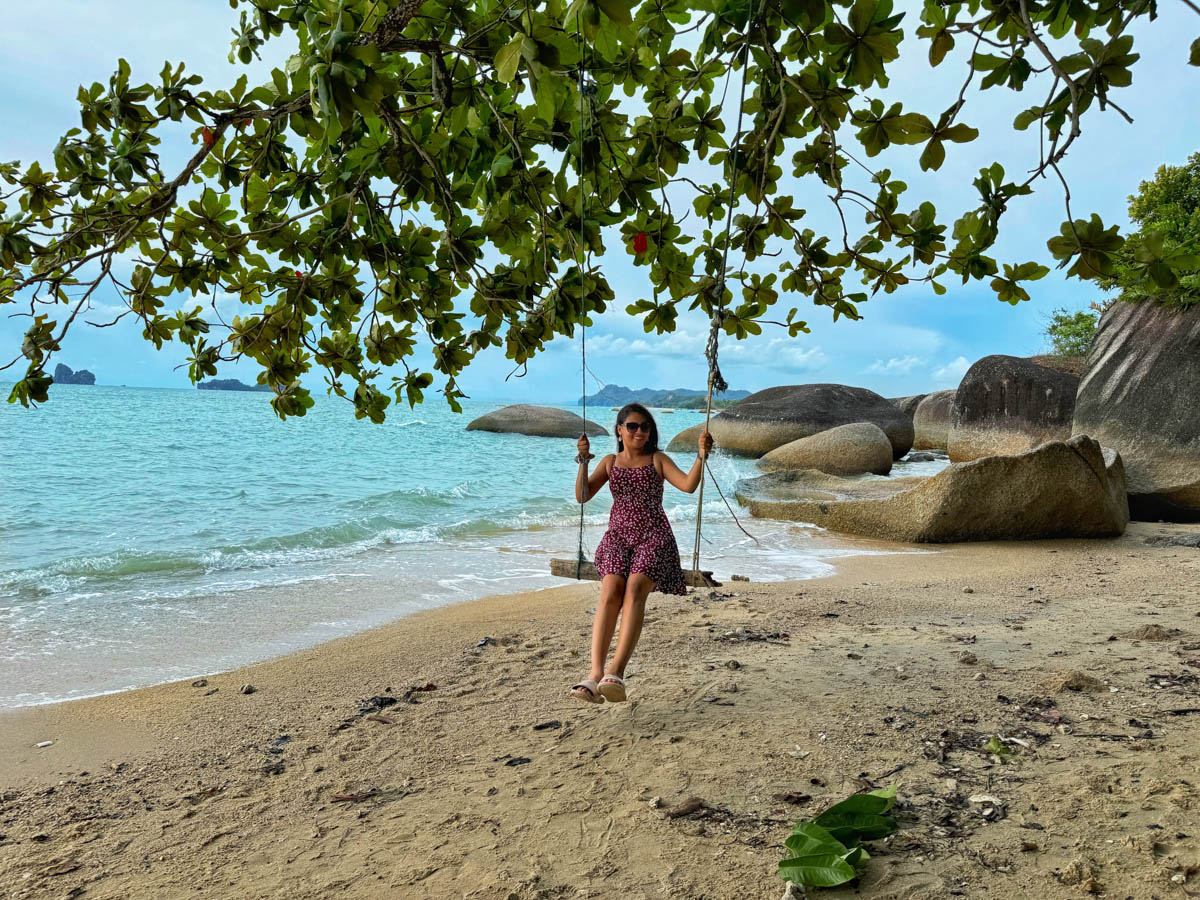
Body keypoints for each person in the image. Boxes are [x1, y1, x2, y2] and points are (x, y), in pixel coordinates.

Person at [569, 403, 713, 704]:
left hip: (653, 535)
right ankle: (595, 674)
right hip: (618, 536)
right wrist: (583, 461)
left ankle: (616, 674)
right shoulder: (609, 462)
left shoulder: (657, 460)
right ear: (619, 430)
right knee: (610, 590)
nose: (640, 431)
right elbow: (583, 495)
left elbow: (688, 485)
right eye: (632, 426)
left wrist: (700, 456)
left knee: (634, 588)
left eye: (645, 426)